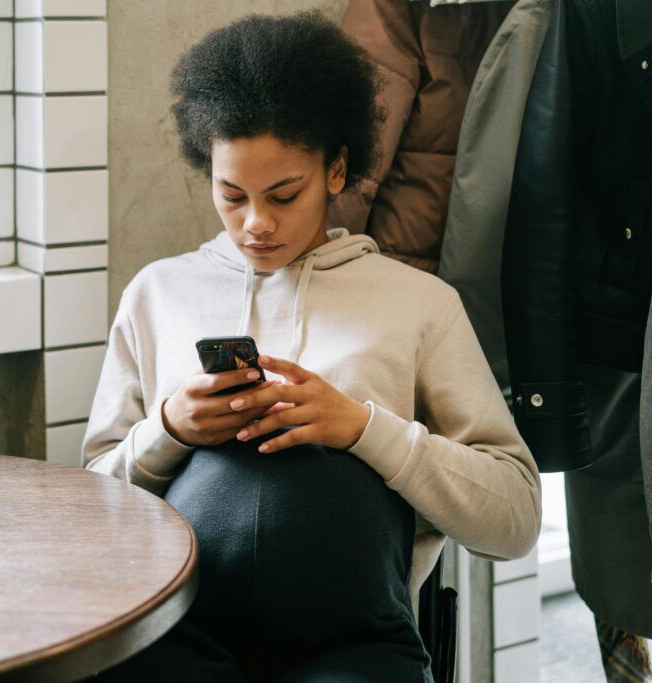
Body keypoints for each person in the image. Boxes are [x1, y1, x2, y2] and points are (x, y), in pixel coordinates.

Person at [83, 12, 541, 682]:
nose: (256, 223)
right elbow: (85, 513)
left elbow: (516, 519)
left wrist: (363, 427)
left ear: (336, 170)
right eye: (231, 194)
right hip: (176, 638)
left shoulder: (419, 304)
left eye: (283, 194)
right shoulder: (158, 294)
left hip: (357, 652)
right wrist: (170, 428)